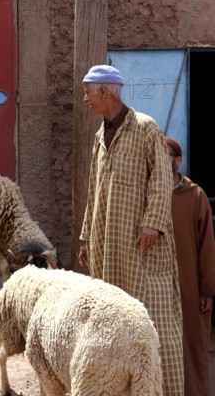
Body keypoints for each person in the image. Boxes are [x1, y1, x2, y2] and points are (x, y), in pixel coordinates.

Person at [78, 65, 184, 395]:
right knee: (113, 324)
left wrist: (153, 222)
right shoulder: (100, 136)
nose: (85, 100)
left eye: (88, 93)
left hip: (142, 249)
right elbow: (93, 187)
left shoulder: (146, 128)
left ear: (106, 93)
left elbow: (162, 179)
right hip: (107, 247)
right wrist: (85, 237)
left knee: (154, 325)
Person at [165, 136, 215, 396]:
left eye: (167, 155)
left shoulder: (196, 196)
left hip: (190, 285)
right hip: (159, 285)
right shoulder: (150, 196)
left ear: (178, 159)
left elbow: (207, 246)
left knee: (192, 345)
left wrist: (206, 289)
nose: (162, 160)